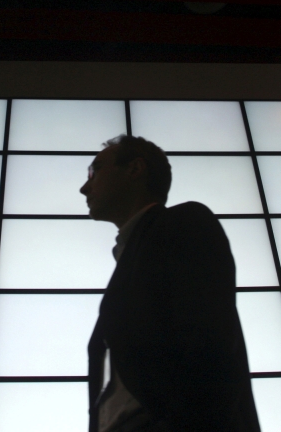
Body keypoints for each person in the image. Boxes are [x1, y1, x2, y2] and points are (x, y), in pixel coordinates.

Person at [81, 135, 261, 432]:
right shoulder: (134, 257)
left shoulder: (184, 223)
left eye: (95, 170)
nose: (85, 187)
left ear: (135, 169)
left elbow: (209, 340)